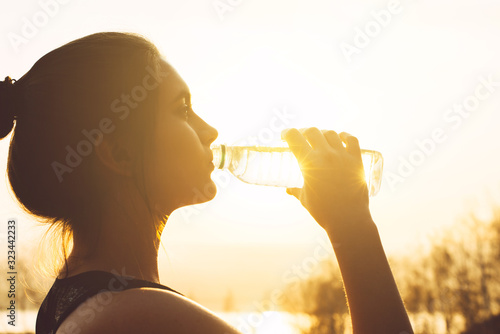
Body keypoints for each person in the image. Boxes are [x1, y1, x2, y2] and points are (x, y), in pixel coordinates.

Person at [0, 32, 413, 334]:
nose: (210, 130)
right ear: (119, 154)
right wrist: (352, 228)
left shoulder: (69, 301)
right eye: (182, 109)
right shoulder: (143, 317)